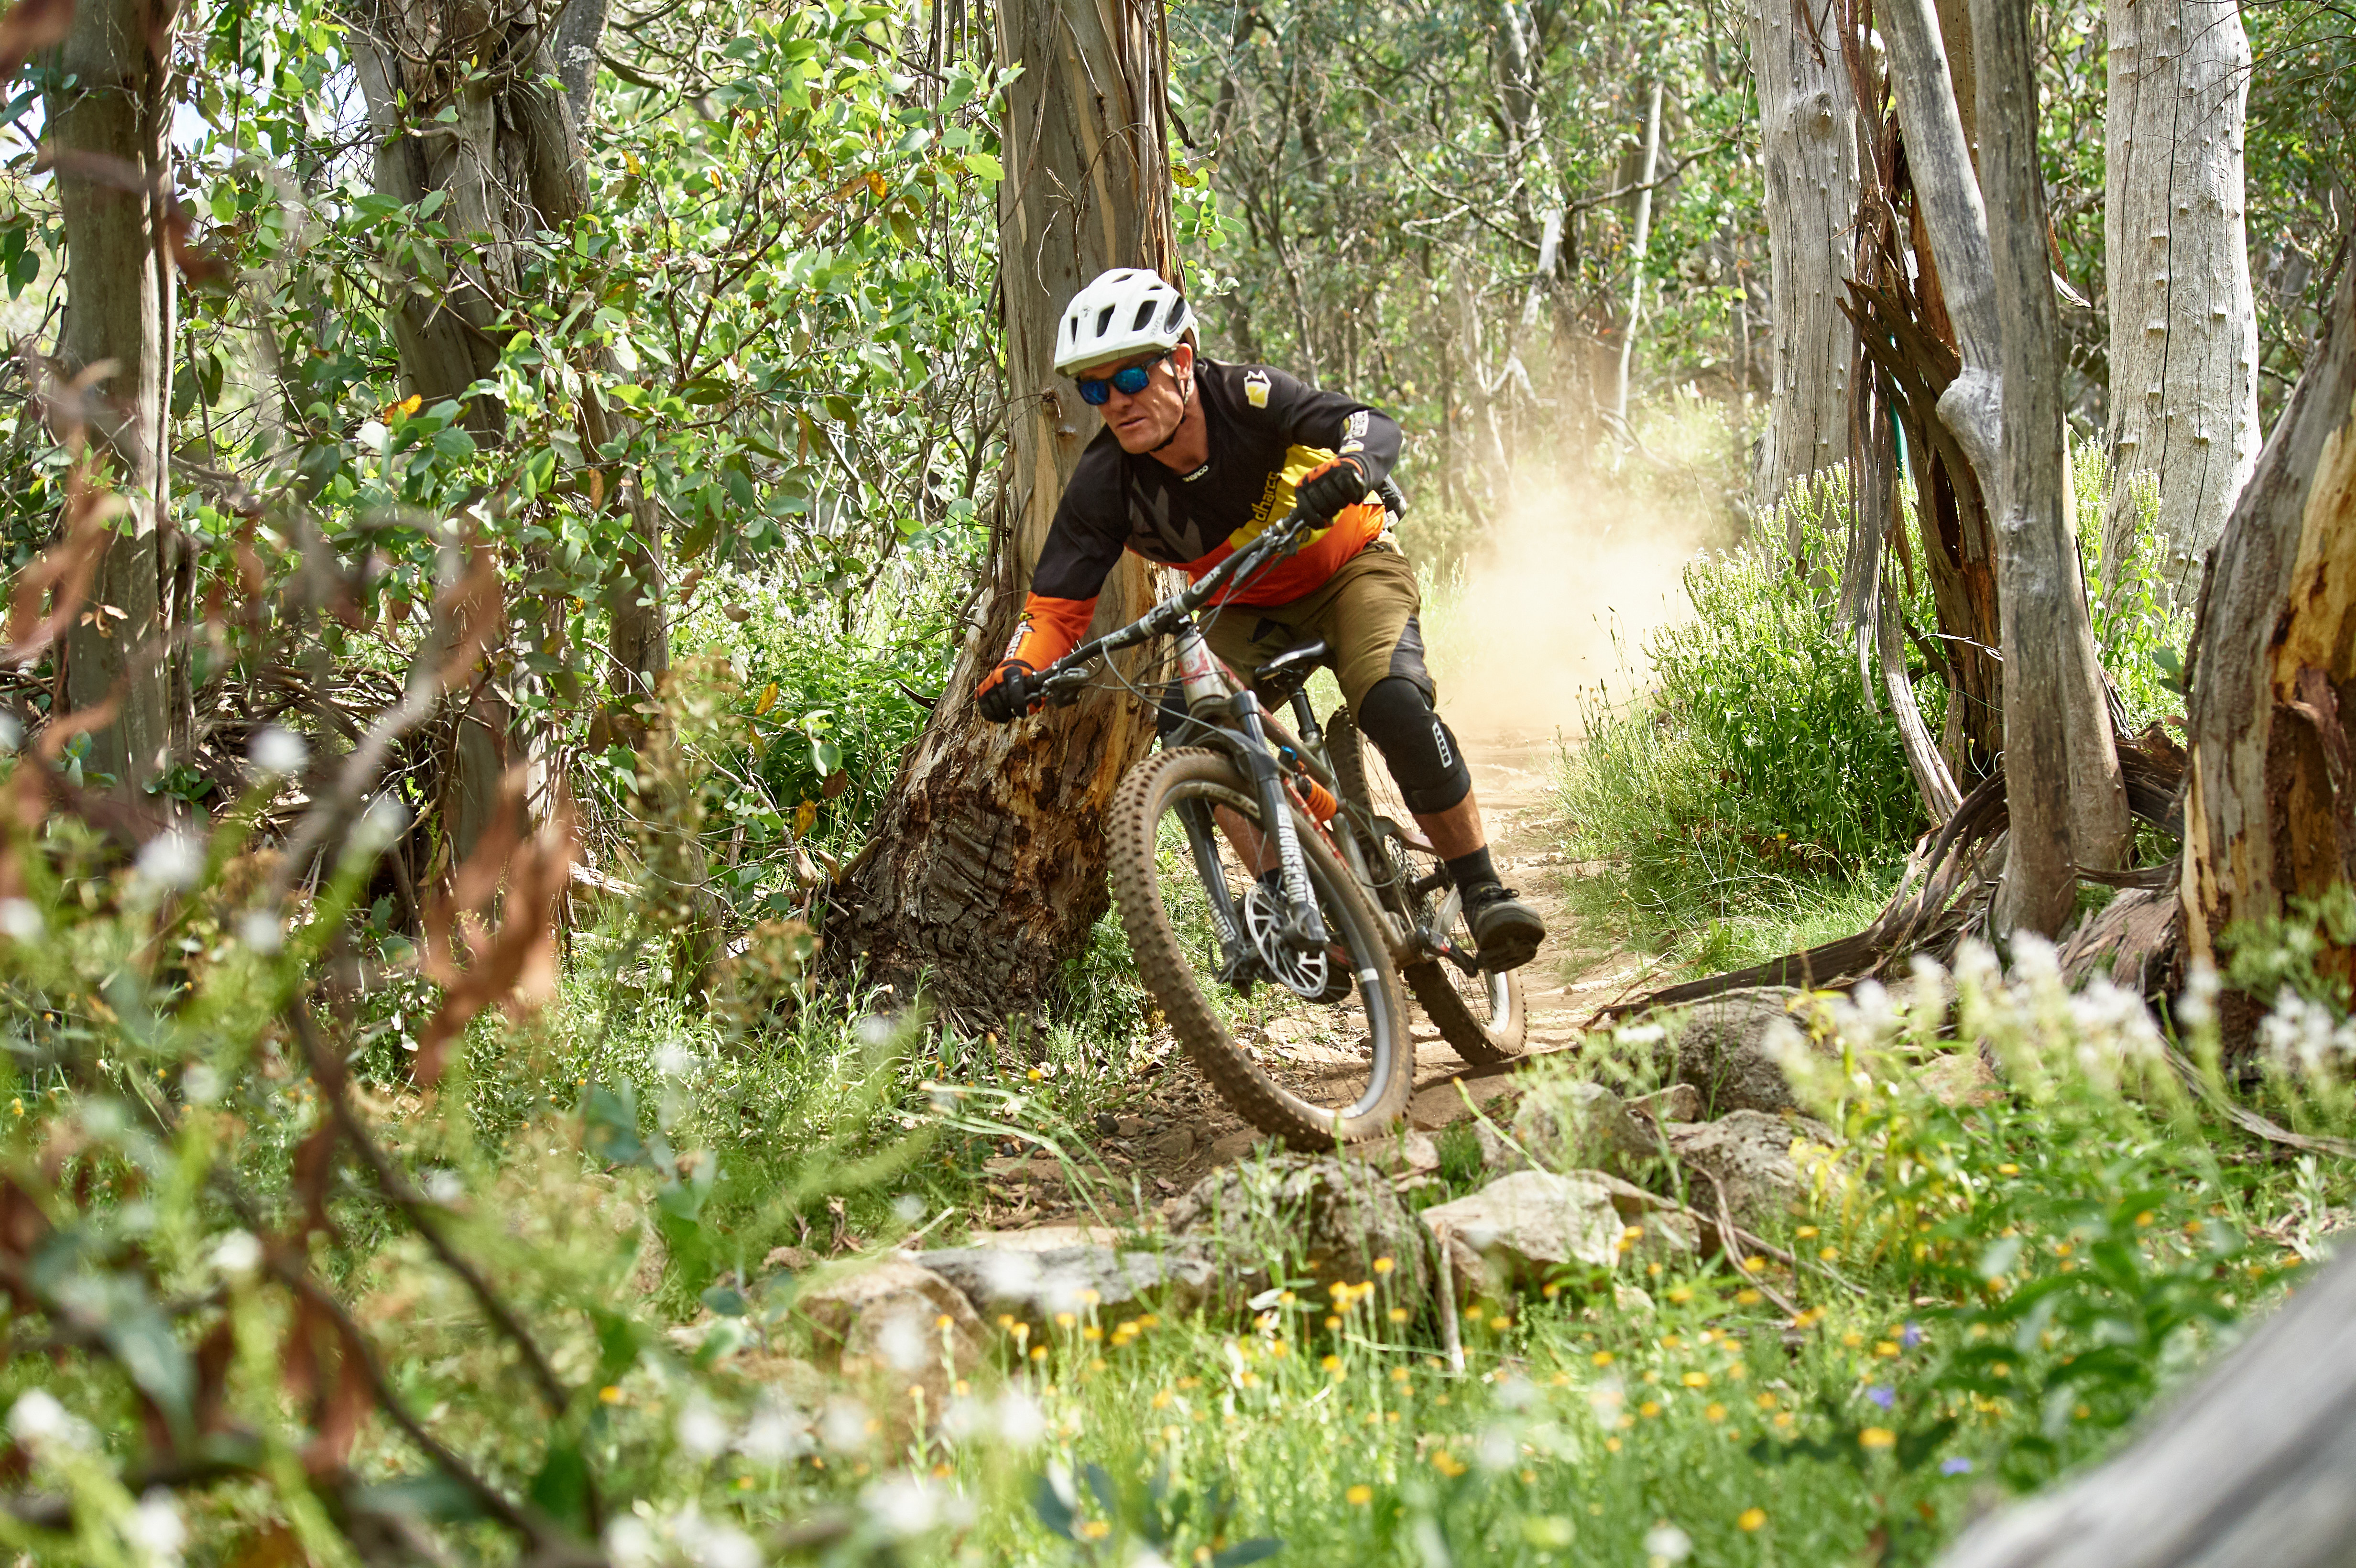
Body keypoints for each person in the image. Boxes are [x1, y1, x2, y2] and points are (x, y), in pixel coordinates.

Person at [975, 268, 1546, 974]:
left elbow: (1367, 424)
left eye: (1127, 380)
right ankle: (1302, 906)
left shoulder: (1244, 396)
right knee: (1196, 731)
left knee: (1392, 701)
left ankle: (1482, 889)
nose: (1114, 404)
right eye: (1094, 389)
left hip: (1350, 568)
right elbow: (1057, 604)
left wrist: (1355, 465)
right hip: (1244, 605)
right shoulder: (1104, 483)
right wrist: (1020, 668)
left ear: (1180, 361)